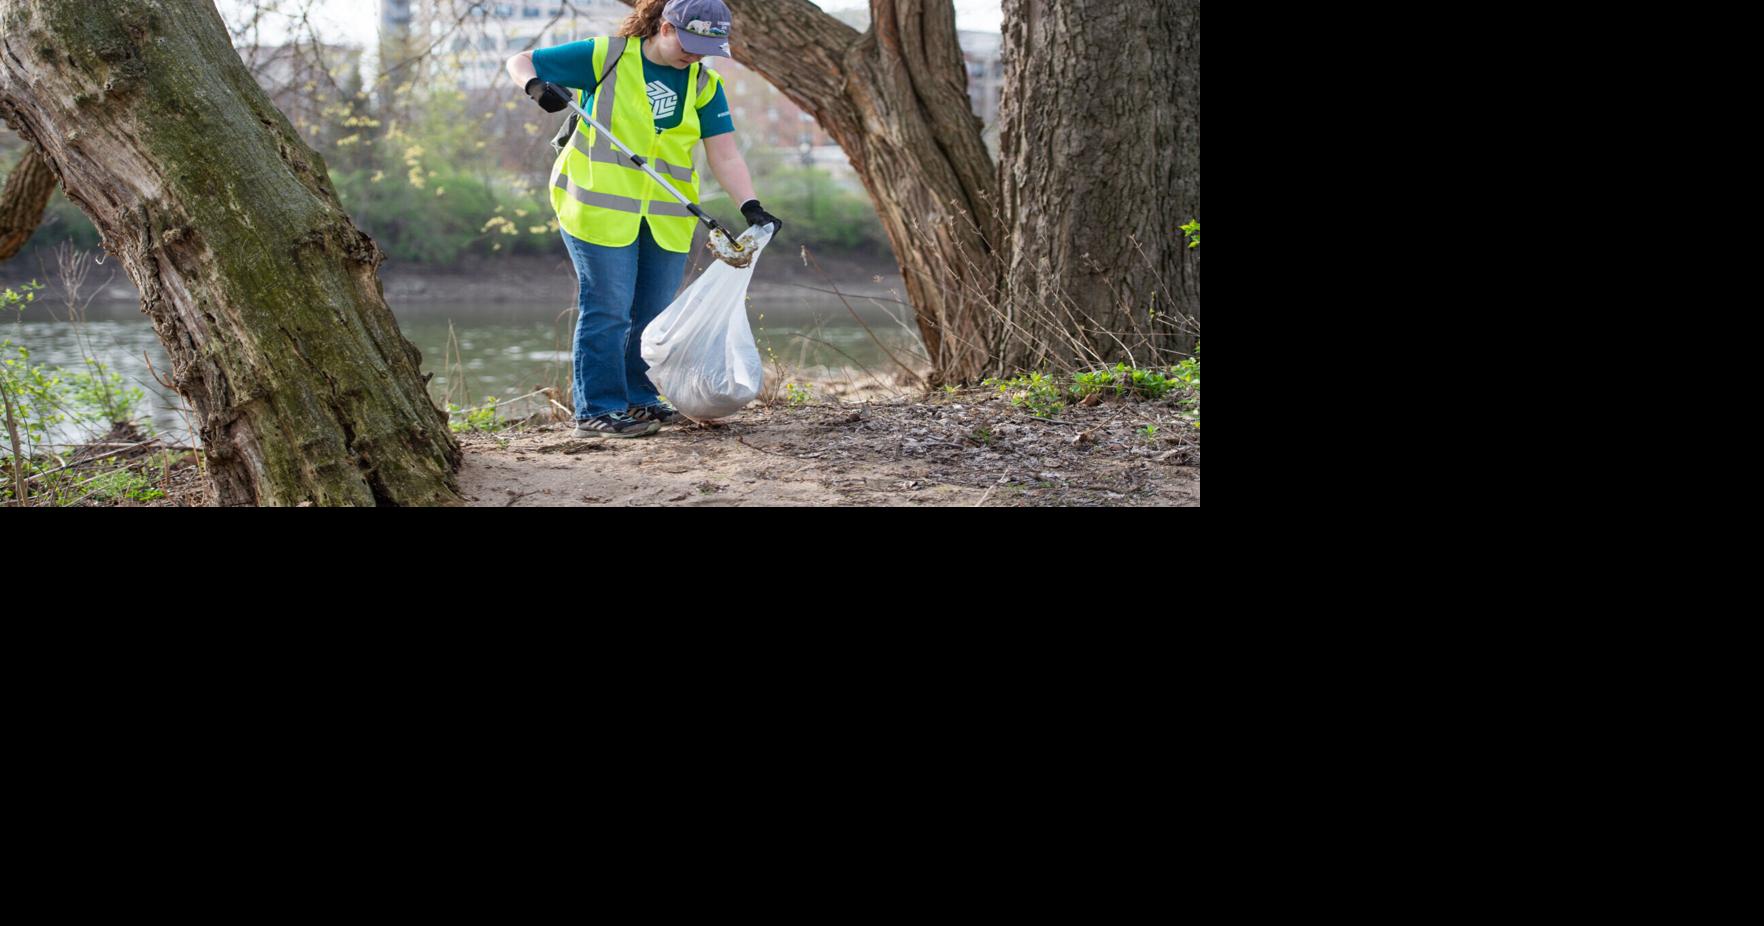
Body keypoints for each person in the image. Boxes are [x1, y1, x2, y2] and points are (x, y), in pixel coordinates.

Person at [504, 0, 783, 438]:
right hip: (597, 206)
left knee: (652, 313)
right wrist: (536, 86)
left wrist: (750, 205)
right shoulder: (606, 55)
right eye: (690, 43)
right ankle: (598, 408)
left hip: (667, 215)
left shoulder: (703, 83)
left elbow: (724, 151)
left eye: (706, 47)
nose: (696, 54)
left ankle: (640, 399)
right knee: (609, 308)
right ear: (665, 26)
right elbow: (519, 61)